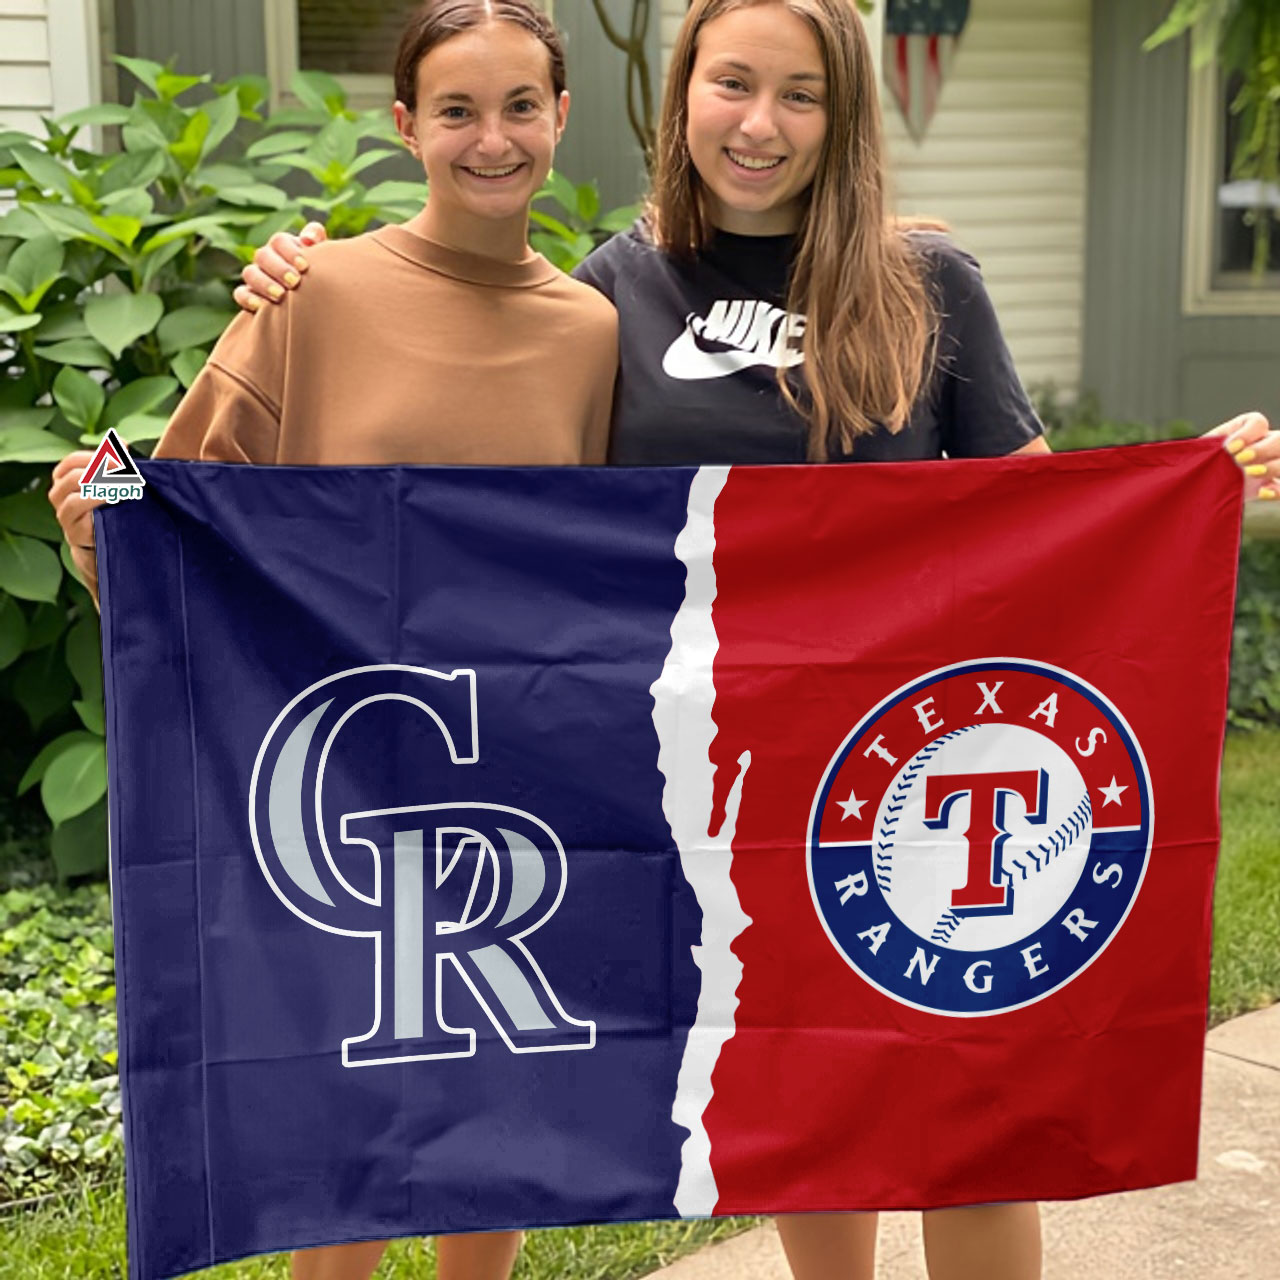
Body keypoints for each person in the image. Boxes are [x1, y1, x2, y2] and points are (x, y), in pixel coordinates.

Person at [228, 2, 1280, 1277]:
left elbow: (1036, 520)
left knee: (963, 1116)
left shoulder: (924, 283)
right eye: (732, 83)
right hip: (719, 780)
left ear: (843, 118)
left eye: (800, 94)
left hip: (910, 769)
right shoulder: (615, 291)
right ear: (683, 96)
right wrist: (302, 283)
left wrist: (1180, 489)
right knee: (814, 1102)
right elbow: (523, 501)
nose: (759, 123)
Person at [48, 4, 616, 1279]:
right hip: (331, 782)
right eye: (456, 111)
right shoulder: (317, 290)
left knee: (494, 1100)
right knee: (347, 1112)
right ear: (403, 123)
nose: (491, 139)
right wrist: (96, 533)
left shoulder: (591, 331)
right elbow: (175, 507)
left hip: (510, 777)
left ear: (560, 118)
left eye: (520, 107)